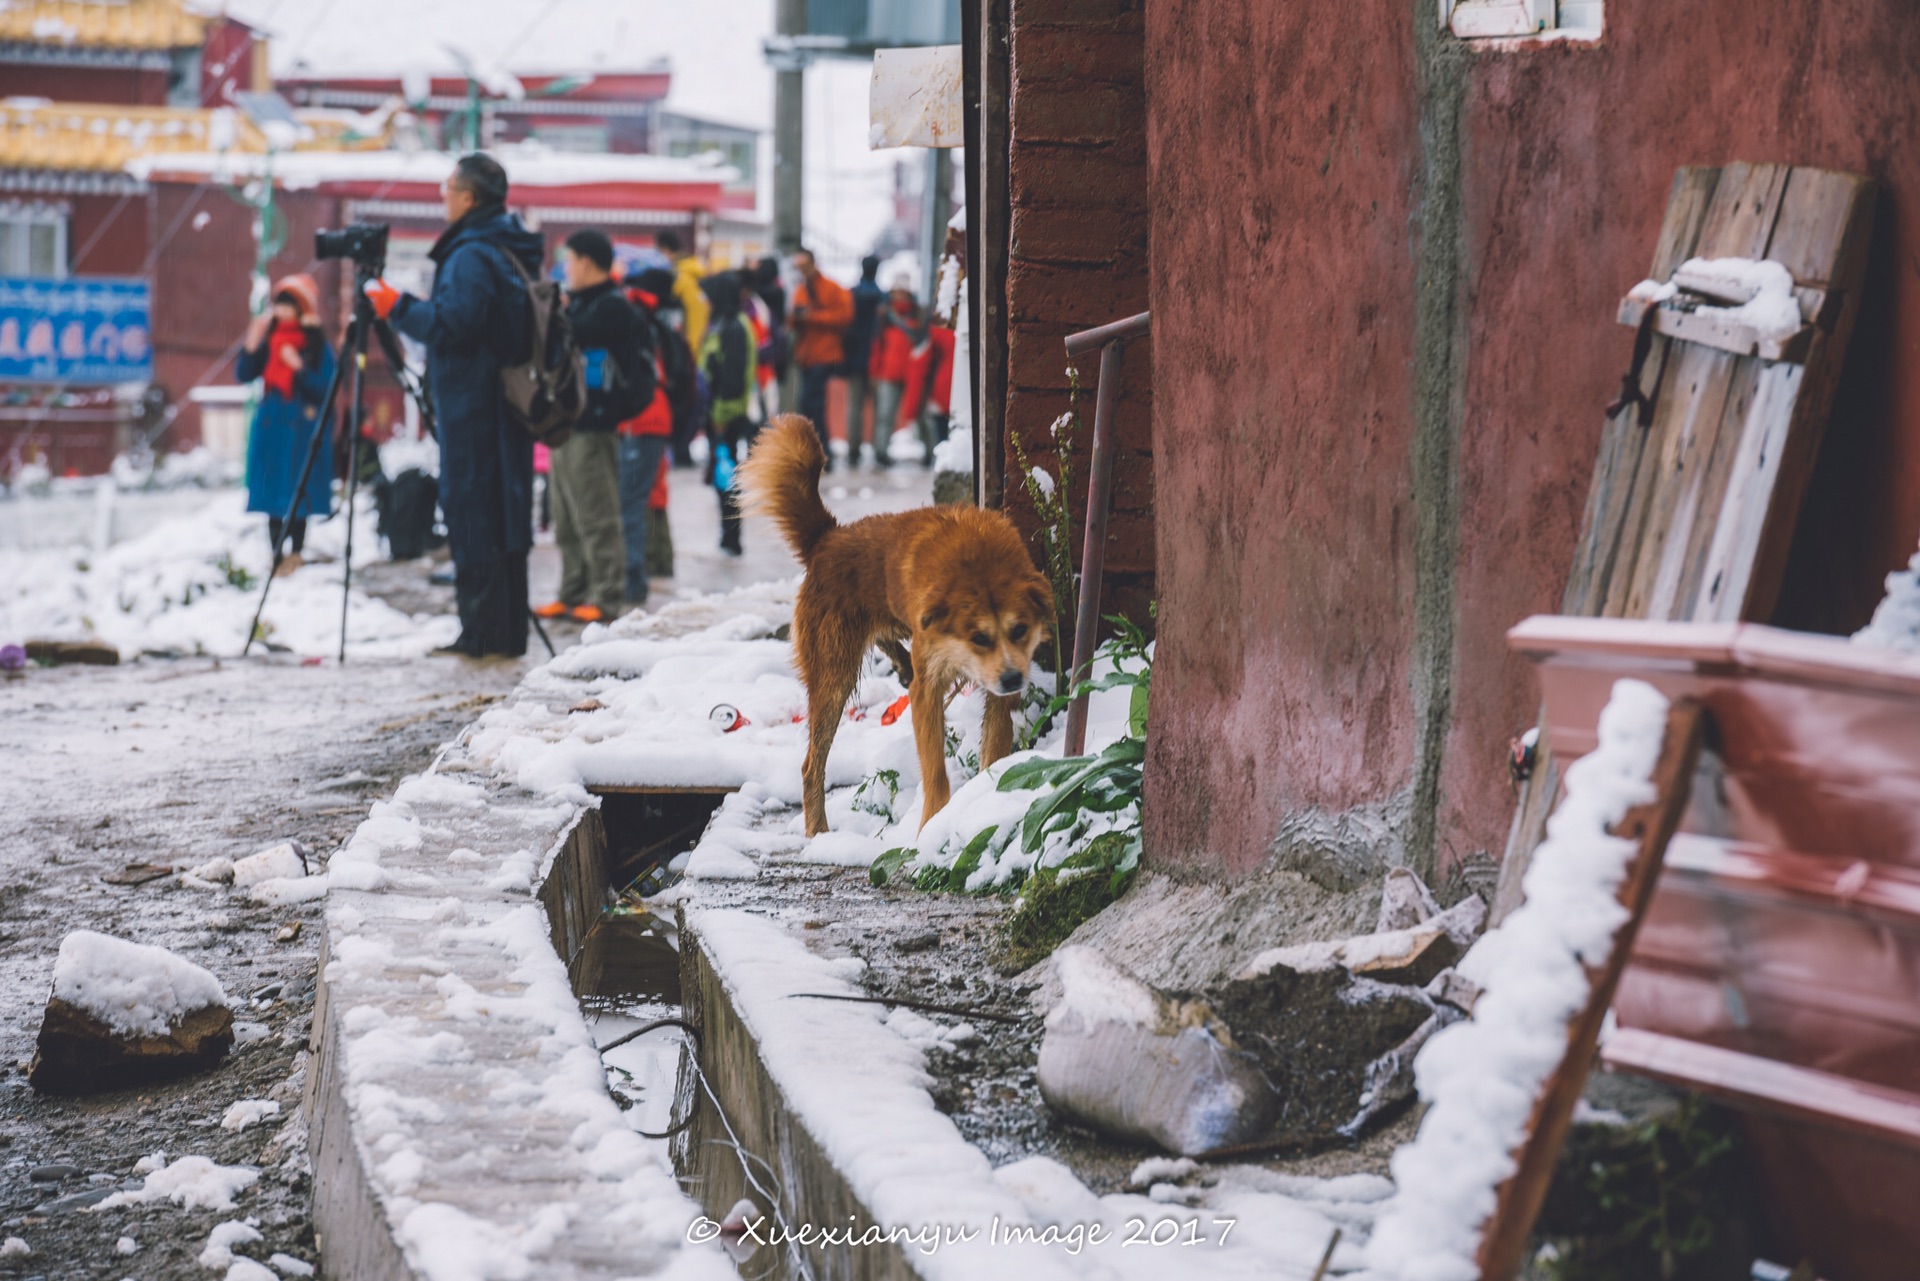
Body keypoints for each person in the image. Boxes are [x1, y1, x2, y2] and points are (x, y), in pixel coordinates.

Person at [365, 152, 540, 659]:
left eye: (447, 187)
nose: (442, 195)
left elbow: (453, 326)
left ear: (469, 197)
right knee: (502, 512)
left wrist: (394, 306)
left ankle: (482, 634)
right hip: (501, 401)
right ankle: (504, 632)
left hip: (474, 404)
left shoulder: (471, 253)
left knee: (473, 510)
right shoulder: (508, 245)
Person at [535, 228, 646, 623]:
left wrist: (553, 311)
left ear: (585, 261)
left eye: (569, 260)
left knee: (596, 512)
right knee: (565, 514)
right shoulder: (581, 304)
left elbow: (573, 339)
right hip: (566, 423)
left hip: (593, 424)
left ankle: (606, 596)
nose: (566, 268)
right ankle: (572, 591)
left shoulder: (610, 307)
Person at [237, 274, 335, 575]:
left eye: (289, 304)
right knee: (273, 493)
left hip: (302, 430)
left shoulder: (316, 345)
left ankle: (296, 553)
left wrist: (299, 367)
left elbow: (325, 387)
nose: (282, 310)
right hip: (272, 427)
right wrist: (251, 344)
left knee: (298, 490)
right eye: (280, 303)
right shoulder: (269, 340)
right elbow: (244, 373)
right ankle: (276, 556)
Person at [615, 269, 681, 606]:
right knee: (647, 498)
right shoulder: (654, 319)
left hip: (641, 420)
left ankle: (634, 581)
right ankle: (653, 568)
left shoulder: (633, 316)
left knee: (629, 504)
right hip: (653, 419)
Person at [700, 272, 758, 556]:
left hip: (727, 417)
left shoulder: (734, 327)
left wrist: (720, 418)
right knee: (723, 476)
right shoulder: (723, 323)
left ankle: (732, 539)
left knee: (727, 477)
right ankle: (728, 537)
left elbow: (732, 379)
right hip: (719, 414)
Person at [787, 247, 852, 468]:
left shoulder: (832, 288)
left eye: (804, 266)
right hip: (807, 355)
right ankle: (819, 452)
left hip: (825, 354)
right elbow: (793, 321)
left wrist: (812, 317)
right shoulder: (801, 290)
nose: (802, 271)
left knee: (812, 404)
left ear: (813, 263)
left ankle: (821, 452)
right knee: (809, 405)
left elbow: (845, 316)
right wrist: (797, 318)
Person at [867, 275, 923, 468]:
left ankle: (929, 450)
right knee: (885, 414)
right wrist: (874, 372)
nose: (898, 297)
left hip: (912, 371)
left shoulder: (917, 315)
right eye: (895, 293)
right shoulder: (884, 317)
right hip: (888, 372)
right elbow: (877, 346)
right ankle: (880, 451)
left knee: (919, 412)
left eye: (902, 292)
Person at [841, 255, 885, 468]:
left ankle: (853, 450)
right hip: (877, 360)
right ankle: (878, 449)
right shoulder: (881, 297)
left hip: (855, 359)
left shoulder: (851, 295)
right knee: (877, 407)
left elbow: (846, 330)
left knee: (854, 407)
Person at [903, 313, 957, 465]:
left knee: (943, 446)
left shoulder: (931, 337)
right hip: (958, 397)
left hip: (941, 398)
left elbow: (917, 376)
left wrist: (910, 414)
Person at [654, 229, 710, 359]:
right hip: (704, 341)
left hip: (687, 345)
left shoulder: (676, 276)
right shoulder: (698, 270)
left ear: (665, 250)